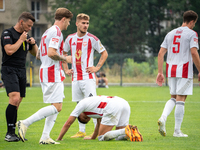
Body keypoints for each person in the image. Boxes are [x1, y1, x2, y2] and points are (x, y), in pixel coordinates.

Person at [16, 8, 73, 144]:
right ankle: (25, 123)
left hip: (48, 71)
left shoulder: (47, 31)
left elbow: (39, 55)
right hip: (52, 72)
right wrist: (65, 59)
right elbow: (51, 53)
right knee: (57, 107)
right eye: (69, 21)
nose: (69, 24)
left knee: (55, 105)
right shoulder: (56, 32)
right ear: (64, 19)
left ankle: (45, 137)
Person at [156, 10, 200, 137]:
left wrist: (160, 72)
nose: (193, 26)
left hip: (171, 69)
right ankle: (177, 131)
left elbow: (160, 53)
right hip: (184, 69)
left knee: (173, 98)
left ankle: (163, 118)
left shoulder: (170, 33)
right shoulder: (192, 34)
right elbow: (193, 52)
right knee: (181, 99)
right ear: (191, 21)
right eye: (194, 23)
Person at [64, 13, 108, 138]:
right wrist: (66, 69)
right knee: (79, 105)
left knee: (93, 105)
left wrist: (97, 67)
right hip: (75, 78)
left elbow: (104, 53)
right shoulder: (70, 38)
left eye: (87, 23)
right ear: (77, 24)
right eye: (83, 23)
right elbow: (63, 53)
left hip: (88, 78)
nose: (85, 25)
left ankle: (97, 131)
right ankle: (81, 130)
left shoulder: (92, 39)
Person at [1, 12, 38, 142]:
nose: (29, 29)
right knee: (14, 98)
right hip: (9, 69)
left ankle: (12, 133)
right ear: (21, 22)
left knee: (18, 101)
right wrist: (21, 40)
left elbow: (35, 54)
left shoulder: (25, 35)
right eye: (28, 25)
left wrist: (33, 44)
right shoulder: (7, 33)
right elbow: (9, 50)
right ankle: (9, 133)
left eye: (31, 26)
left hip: (22, 71)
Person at [57, 95, 143, 142]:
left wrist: (59, 138)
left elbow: (68, 123)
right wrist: (92, 137)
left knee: (101, 137)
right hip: (123, 102)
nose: (87, 118)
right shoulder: (92, 103)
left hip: (113, 105)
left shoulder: (80, 105)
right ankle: (131, 131)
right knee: (119, 136)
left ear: (80, 114)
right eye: (86, 120)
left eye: (84, 118)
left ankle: (125, 130)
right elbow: (99, 123)